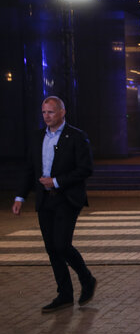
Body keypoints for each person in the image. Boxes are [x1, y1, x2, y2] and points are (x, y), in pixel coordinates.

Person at [12, 96, 97, 313]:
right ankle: (65, 294)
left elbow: (86, 169)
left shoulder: (77, 137)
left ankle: (87, 280)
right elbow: (29, 169)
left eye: (50, 112)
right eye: (43, 112)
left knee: (61, 245)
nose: (46, 116)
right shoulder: (37, 137)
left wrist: (56, 181)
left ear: (62, 112)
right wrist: (20, 198)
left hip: (67, 199)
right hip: (44, 199)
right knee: (51, 248)